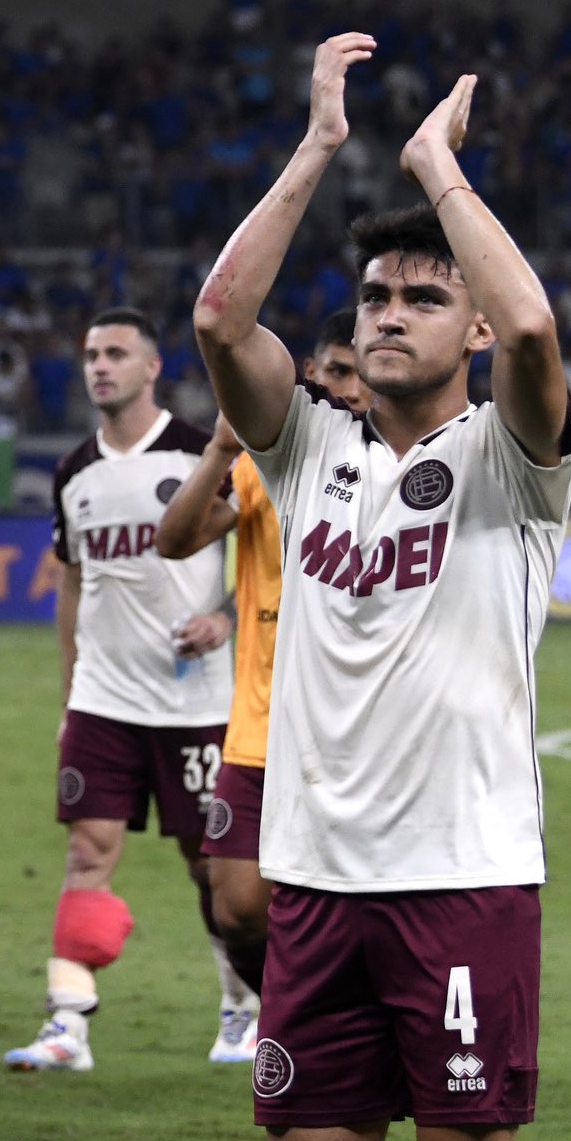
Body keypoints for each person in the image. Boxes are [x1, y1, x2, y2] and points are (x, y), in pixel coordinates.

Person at [194, 35, 571, 1141]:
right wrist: (314, 146)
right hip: (314, 885)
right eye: (372, 299)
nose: (390, 314)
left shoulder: (509, 458)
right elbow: (217, 317)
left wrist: (432, 170)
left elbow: (526, 319)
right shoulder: (307, 452)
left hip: (461, 879)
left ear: (462, 323)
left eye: (421, 297)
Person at [2, 306, 252, 1074]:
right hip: (104, 703)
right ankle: (67, 1023)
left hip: (197, 703)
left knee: (209, 864)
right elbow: (73, 588)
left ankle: (243, 1008)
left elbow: (270, 553)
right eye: (90, 353)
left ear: (151, 368)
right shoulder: (73, 471)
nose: (98, 366)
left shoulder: (201, 452)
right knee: (87, 853)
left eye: (115, 353)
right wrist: (71, 692)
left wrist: (225, 616)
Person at [155, 310, 365, 998]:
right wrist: (220, 449)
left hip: (354, 732)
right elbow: (175, 540)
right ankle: (291, 1016)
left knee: (351, 910)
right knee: (238, 907)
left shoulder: (404, 469)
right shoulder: (266, 465)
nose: (347, 386)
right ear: (309, 374)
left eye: (358, 373)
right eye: (334, 370)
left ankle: (327, 1034)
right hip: (257, 729)